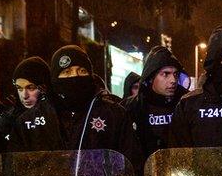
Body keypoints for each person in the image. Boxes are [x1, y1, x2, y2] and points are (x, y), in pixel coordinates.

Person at [9, 45, 141, 168]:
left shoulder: (114, 115)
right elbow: (16, 171)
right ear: (55, 78)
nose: (74, 77)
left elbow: (130, 164)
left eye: (81, 71)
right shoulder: (27, 121)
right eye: (67, 72)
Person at [124, 46, 188, 158]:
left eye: (175, 74)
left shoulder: (186, 104)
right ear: (151, 77)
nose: (173, 80)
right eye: (165, 74)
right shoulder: (132, 107)